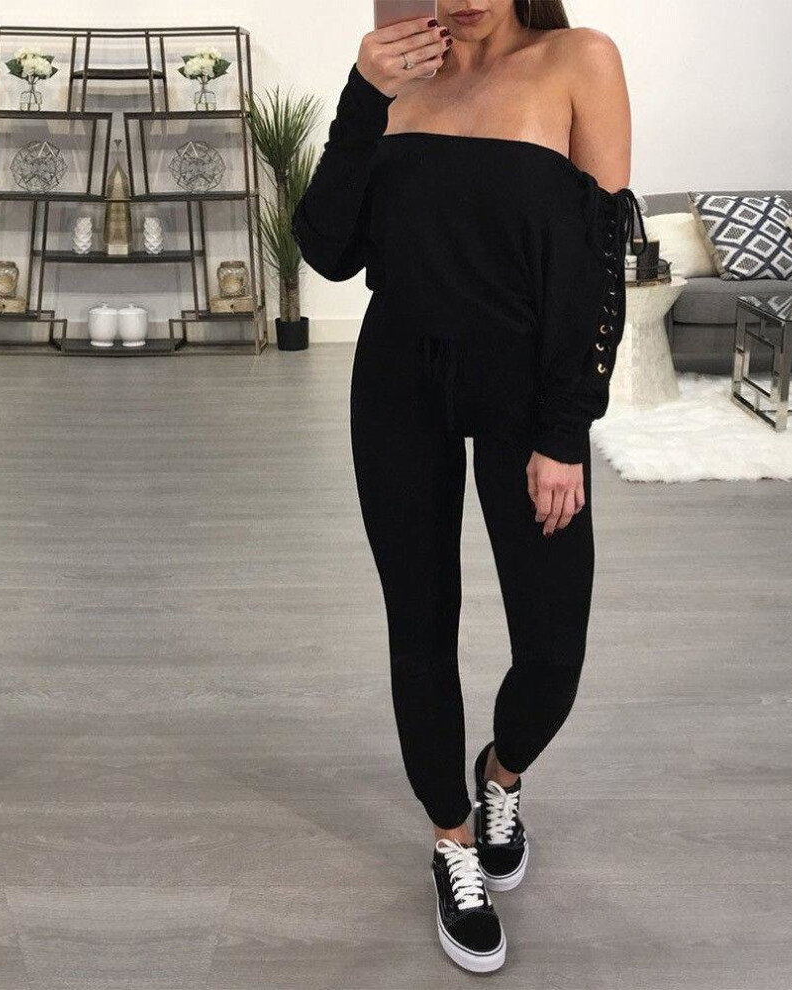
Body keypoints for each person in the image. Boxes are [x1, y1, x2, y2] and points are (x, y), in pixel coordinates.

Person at [291, 0, 641, 973]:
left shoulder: (579, 60)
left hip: (527, 391)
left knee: (553, 649)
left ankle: (501, 773)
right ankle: (451, 839)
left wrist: (564, 432)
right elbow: (327, 248)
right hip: (398, 385)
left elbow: (598, 270)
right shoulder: (399, 76)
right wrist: (364, 94)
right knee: (420, 624)